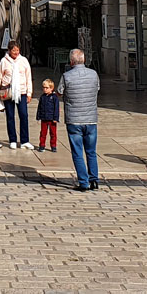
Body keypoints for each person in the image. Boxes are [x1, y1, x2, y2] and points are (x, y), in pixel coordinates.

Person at [58, 48, 100, 191]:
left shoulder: (66, 76)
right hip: (90, 119)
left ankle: (83, 182)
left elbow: (59, 91)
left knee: (77, 152)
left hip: (74, 119)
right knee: (91, 151)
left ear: (71, 62)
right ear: (84, 60)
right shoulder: (94, 74)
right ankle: (94, 179)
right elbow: (97, 89)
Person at [0, 40, 33, 149]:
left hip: (21, 92)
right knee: (10, 116)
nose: (16, 52)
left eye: (17, 50)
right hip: (8, 92)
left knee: (24, 115)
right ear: (9, 50)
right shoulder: (4, 61)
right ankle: (12, 139)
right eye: (14, 50)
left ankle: (24, 140)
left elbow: (28, 77)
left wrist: (29, 92)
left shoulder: (24, 60)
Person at [36, 78, 60, 152]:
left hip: (52, 118)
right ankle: (42, 145)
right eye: (44, 88)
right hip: (44, 118)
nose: (45, 89)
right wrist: (38, 116)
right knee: (43, 133)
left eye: (47, 88)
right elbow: (39, 107)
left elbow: (56, 108)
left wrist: (56, 118)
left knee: (53, 133)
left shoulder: (54, 97)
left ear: (51, 88)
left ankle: (53, 146)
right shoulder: (42, 97)